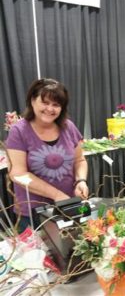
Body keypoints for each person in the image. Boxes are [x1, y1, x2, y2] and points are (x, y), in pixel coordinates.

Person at [6, 78, 89, 232]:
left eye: (56, 104)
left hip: (68, 205)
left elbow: (79, 160)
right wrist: (56, 195)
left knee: (70, 250)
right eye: (45, 102)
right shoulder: (19, 131)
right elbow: (18, 173)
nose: (50, 109)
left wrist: (81, 181)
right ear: (32, 100)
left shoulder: (68, 127)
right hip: (33, 212)